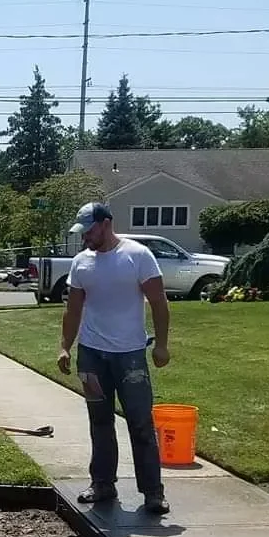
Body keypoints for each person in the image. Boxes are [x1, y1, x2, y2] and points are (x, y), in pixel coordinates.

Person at [57, 202, 171, 516]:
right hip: (91, 356)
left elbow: (159, 303)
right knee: (100, 422)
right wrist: (65, 346)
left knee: (140, 423)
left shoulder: (137, 256)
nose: (85, 238)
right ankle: (102, 483)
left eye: (89, 231)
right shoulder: (81, 263)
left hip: (131, 356)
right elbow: (73, 310)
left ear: (106, 223)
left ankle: (153, 492)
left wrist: (161, 345)